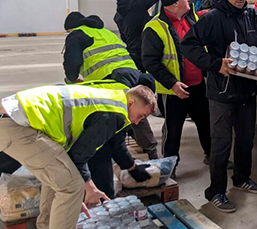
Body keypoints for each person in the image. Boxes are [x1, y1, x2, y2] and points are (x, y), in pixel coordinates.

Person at [0, 84, 156, 229]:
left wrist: (72, 203)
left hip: (14, 116)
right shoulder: (113, 114)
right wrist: (90, 189)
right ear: (131, 103)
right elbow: (79, 155)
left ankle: (47, 226)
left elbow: (74, 156)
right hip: (18, 125)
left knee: (61, 176)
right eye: (140, 116)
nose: (137, 122)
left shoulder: (112, 97)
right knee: (72, 186)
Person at [181, 0, 257, 213]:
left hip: (247, 90)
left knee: (246, 140)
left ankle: (241, 179)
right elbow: (188, 45)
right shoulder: (213, 18)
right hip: (222, 93)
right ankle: (216, 192)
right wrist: (215, 64)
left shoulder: (251, 15)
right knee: (221, 144)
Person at [63, 11, 159, 160]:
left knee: (121, 115)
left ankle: (120, 155)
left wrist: (71, 80)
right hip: (133, 73)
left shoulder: (76, 35)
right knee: (136, 112)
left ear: (71, 28)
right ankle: (151, 152)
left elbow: (72, 62)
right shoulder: (104, 32)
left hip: (111, 79)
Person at [142, 0, 211, 173]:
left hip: (197, 85)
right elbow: (150, 62)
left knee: (206, 123)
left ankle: (211, 155)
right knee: (173, 131)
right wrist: (172, 84)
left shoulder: (192, 18)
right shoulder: (154, 28)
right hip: (174, 91)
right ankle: (170, 167)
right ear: (173, 4)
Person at [114, 0, 165, 72]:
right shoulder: (137, 5)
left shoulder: (118, 15)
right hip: (146, 51)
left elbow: (124, 37)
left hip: (133, 53)